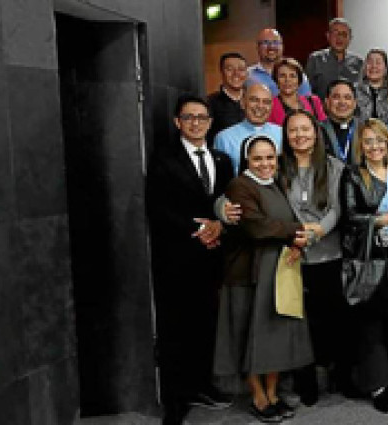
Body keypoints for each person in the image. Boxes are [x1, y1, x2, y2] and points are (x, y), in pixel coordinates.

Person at [146, 95, 234, 424]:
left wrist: (219, 226)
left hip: (212, 258)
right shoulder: (164, 160)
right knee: (176, 328)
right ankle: (176, 398)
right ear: (177, 122)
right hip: (178, 259)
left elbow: (227, 201)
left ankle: (201, 385)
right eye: (189, 117)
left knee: (206, 324)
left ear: (210, 122)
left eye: (202, 117)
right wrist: (198, 230)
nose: (196, 123)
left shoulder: (222, 160)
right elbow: (158, 207)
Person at [214, 135, 314, 423]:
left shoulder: (276, 183)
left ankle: (272, 394)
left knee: (274, 337)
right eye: (258, 158)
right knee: (249, 337)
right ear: (247, 160)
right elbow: (257, 227)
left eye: (270, 157)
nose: (265, 164)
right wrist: (297, 230)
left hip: (276, 272)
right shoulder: (239, 186)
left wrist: (296, 242)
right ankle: (257, 396)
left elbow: (282, 223)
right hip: (248, 274)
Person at [275, 110, 355, 405]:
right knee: (300, 325)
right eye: (293, 131)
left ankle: (342, 377)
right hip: (293, 257)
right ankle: (305, 383)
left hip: (329, 255)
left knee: (337, 322)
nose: (300, 135)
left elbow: (337, 208)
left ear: (316, 132)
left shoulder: (334, 167)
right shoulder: (278, 168)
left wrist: (317, 231)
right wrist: (296, 232)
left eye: (305, 129)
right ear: (286, 136)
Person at [341, 119, 388, 413]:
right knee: (371, 322)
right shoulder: (353, 175)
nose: (375, 147)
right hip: (369, 256)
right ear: (361, 146)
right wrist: (386, 221)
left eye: (380, 141)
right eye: (369, 141)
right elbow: (350, 217)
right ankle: (378, 386)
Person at [214, 83, 282, 174]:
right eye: (254, 100)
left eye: (266, 102)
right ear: (242, 103)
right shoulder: (224, 138)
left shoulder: (282, 133)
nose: (260, 106)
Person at [305, 18, 363, 100]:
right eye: (335, 34)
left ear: (350, 38)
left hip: (351, 110)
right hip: (321, 110)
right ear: (328, 36)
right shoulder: (315, 59)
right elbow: (307, 92)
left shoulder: (359, 62)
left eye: (344, 34)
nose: (339, 38)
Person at [247, 28, 312, 96]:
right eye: (265, 42)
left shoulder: (297, 75)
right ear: (257, 47)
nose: (271, 47)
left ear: (282, 46)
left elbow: (307, 103)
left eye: (276, 42)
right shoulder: (247, 75)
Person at [268, 58, 327, 126]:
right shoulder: (270, 105)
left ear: (299, 80)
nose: (287, 80)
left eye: (292, 76)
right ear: (276, 80)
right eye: (282, 76)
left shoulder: (314, 101)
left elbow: (324, 129)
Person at [207, 53, 248, 144]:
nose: (236, 74)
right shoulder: (209, 103)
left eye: (241, 69)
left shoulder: (254, 101)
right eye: (230, 69)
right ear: (221, 72)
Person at [319, 79, 360, 163]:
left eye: (347, 97)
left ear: (355, 103)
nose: (342, 102)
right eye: (336, 97)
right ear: (327, 102)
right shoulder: (316, 131)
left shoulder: (366, 129)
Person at [355, 49, 388, 124]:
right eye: (370, 62)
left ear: (386, 69)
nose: (374, 66)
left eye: (378, 63)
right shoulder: (353, 90)